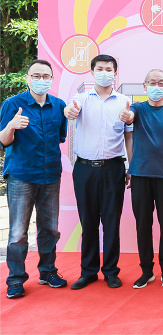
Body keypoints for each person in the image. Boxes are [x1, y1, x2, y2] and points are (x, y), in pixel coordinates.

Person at [64, 55, 133, 290]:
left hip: (114, 168)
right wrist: (69, 111)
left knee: (112, 222)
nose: (105, 73)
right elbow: (69, 110)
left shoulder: (124, 101)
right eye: (100, 69)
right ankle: (88, 271)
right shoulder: (81, 99)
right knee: (89, 222)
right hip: (84, 169)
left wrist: (131, 167)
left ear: (115, 73)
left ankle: (111, 271)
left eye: (109, 69)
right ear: (92, 73)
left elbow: (129, 137)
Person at [0, 60, 68, 299]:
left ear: (52, 79)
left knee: (50, 229)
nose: (41, 80)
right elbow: (4, 140)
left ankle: (47, 272)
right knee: (18, 232)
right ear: (27, 78)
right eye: (36, 76)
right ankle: (15, 279)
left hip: (51, 176)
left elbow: (60, 137)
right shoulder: (12, 104)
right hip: (21, 176)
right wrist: (12, 125)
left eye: (46, 76)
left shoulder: (59, 105)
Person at [119, 69, 163, 289]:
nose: (156, 86)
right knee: (143, 225)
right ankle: (146, 271)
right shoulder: (138, 108)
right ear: (144, 85)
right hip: (140, 176)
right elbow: (129, 117)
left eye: (161, 83)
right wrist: (126, 115)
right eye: (152, 82)